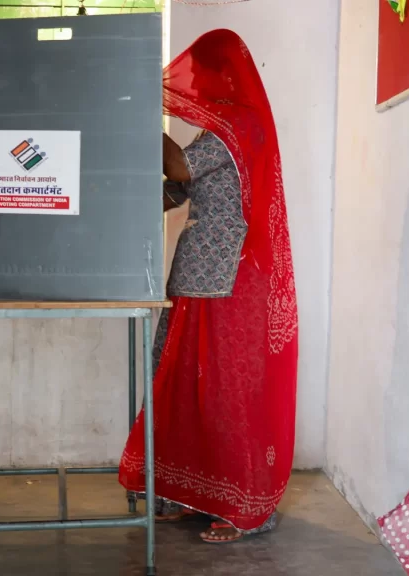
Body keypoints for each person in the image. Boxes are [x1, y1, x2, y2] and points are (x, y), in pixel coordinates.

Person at [119, 29, 299, 544]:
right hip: (199, 274)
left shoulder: (239, 124)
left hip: (233, 279)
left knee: (227, 392)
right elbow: (176, 189)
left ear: (224, 73)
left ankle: (246, 507)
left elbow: (177, 166)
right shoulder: (216, 131)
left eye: (200, 72)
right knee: (186, 388)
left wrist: (140, 114)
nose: (194, 82)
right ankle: (195, 494)